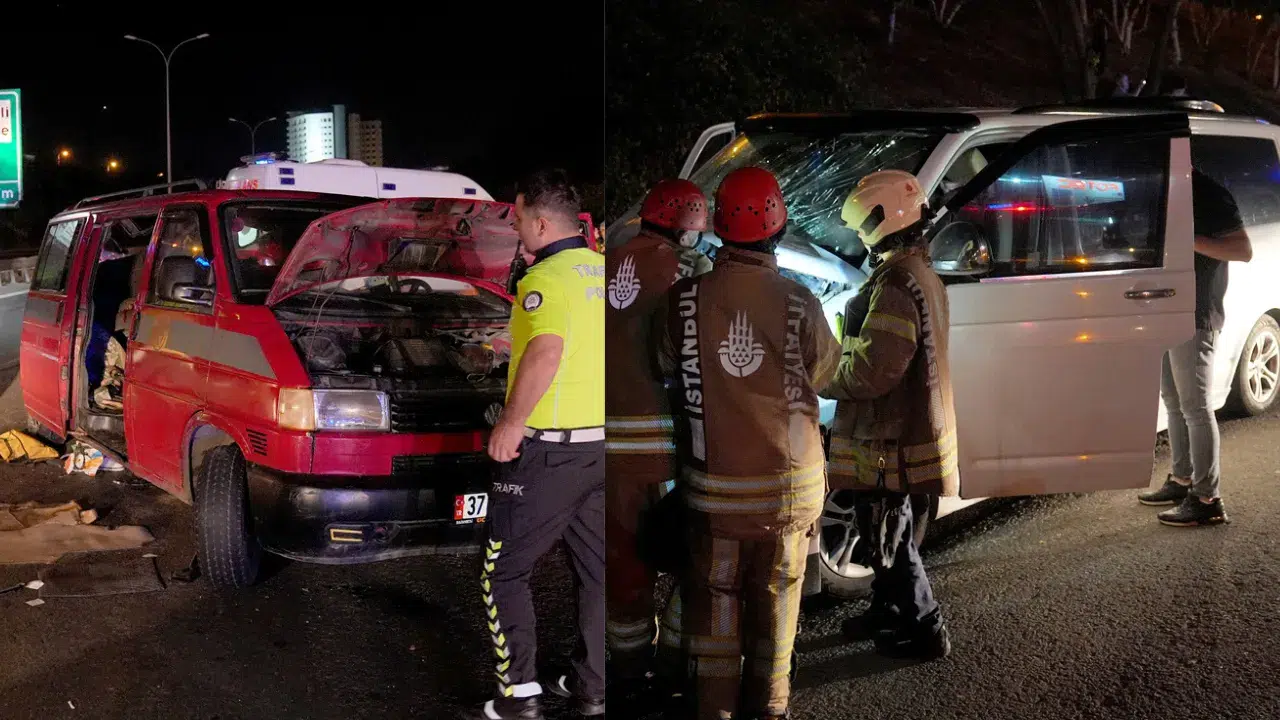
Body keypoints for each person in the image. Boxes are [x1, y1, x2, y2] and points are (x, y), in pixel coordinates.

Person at [655, 166, 841, 720]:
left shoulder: (683, 300)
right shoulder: (799, 301)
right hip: (787, 493)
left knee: (717, 607)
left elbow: (665, 364)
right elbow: (828, 374)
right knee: (778, 604)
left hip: (714, 495)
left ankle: (714, 709)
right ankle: (770, 708)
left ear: (719, 227)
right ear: (777, 226)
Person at [478, 169, 605, 720]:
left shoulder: (545, 278)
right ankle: (594, 688)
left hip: (549, 453)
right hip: (599, 450)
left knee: (503, 571)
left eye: (519, 218)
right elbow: (576, 343)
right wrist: (504, 344)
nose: (515, 228)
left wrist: (511, 422)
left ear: (542, 223)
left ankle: (519, 696)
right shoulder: (601, 272)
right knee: (598, 573)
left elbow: (548, 351)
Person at [823, 170, 958, 660]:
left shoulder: (896, 283)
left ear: (882, 220)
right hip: (899, 433)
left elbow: (873, 371)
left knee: (889, 536)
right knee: (886, 528)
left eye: (862, 227)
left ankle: (926, 628)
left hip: (887, 438)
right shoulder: (916, 271)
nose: (860, 237)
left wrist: (820, 375)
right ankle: (887, 611)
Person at [604, 179, 712, 695]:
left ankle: (627, 670)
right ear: (687, 230)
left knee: (623, 563)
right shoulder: (691, 270)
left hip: (609, 450)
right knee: (697, 557)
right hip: (670, 449)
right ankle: (674, 659)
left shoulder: (604, 264)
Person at [1138, 169, 1252, 527]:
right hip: (1165, 311)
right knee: (1173, 402)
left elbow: (1242, 250)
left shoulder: (1208, 192)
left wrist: (1186, 240)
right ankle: (1182, 480)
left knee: (1196, 408)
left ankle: (1207, 499)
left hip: (1195, 314)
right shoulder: (1160, 188)